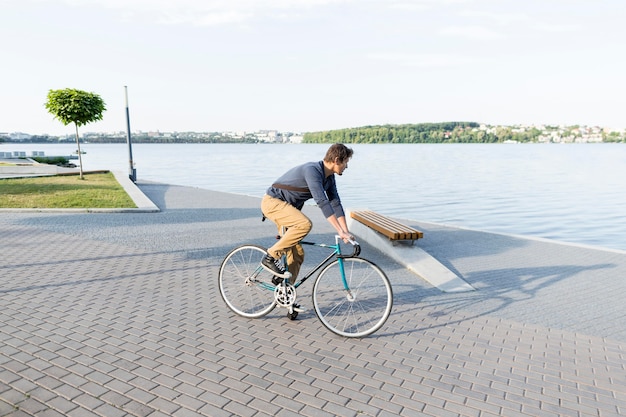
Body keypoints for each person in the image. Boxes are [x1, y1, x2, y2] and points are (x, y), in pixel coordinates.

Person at [260, 143, 355, 298]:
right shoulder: (312, 171)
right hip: (273, 203)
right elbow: (322, 202)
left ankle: (285, 294)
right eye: (346, 162)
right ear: (337, 160)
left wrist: (345, 231)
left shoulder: (329, 177)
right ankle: (270, 256)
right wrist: (339, 231)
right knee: (305, 224)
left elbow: (335, 203)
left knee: (297, 254)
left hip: (288, 209)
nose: (346, 167)